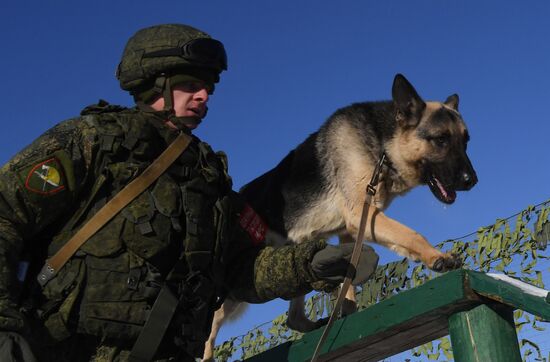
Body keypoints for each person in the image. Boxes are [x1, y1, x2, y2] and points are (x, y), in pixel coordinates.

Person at [0, 24, 379, 361]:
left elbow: (239, 270)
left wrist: (307, 266)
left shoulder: (207, 180)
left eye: (208, 88)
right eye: (190, 85)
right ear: (155, 81)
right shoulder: (93, 142)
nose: (203, 97)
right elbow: (5, 215)